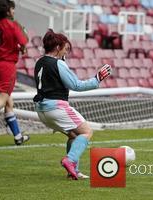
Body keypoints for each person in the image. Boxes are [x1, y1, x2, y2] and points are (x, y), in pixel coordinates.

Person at [33, 29, 112, 180]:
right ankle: (69, 161)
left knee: (74, 135)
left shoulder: (39, 62)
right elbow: (76, 85)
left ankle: (72, 171)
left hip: (41, 110)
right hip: (56, 107)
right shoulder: (58, 63)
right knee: (86, 132)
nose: (66, 53)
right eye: (65, 49)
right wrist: (97, 79)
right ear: (57, 48)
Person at [0, 0, 29, 145]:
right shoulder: (12, 24)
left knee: (9, 101)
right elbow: (23, 41)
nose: (14, 11)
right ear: (8, 11)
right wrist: (22, 47)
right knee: (3, 98)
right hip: (6, 66)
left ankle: (18, 136)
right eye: (12, 9)